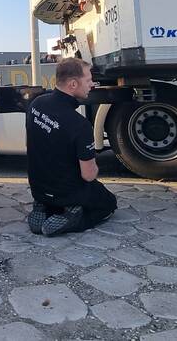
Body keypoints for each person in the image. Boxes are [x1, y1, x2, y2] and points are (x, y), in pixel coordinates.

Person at [25, 58, 118, 236]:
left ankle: (43, 206)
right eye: (88, 80)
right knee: (108, 202)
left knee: (54, 186)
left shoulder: (36, 105)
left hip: (39, 189)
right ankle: (73, 218)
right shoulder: (80, 125)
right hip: (67, 193)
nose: (92, 84)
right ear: (73, 84)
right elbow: (88, 175)